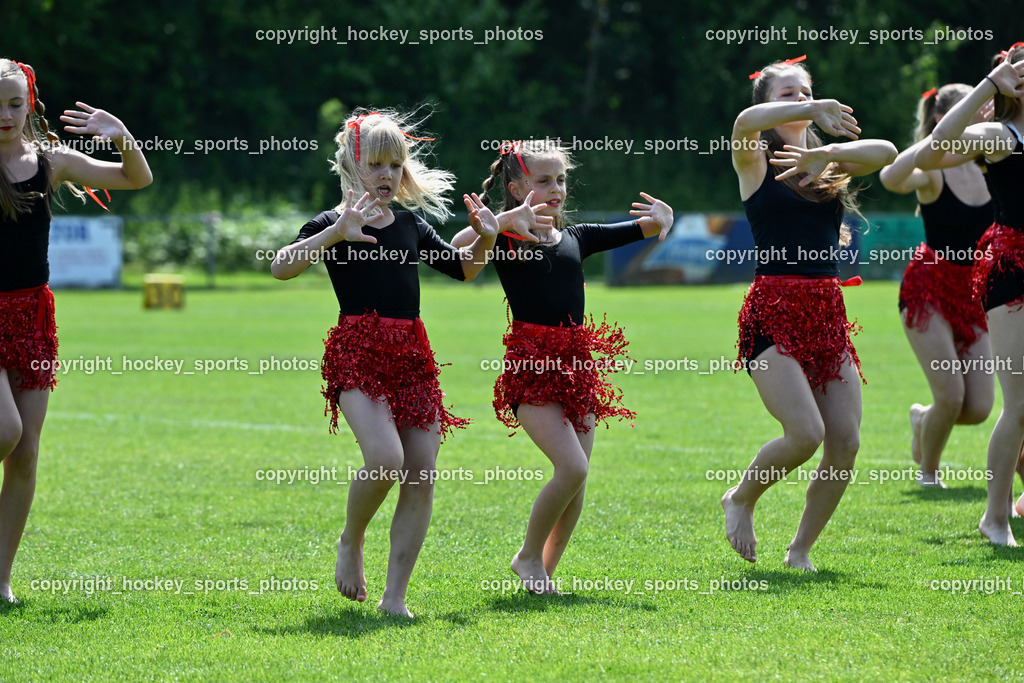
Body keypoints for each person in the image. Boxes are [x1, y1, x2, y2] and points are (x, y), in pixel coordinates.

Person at [271, 109, 497, 617]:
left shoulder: (412, 225)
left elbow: (464, 270)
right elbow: (280, 266)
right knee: (385, 460)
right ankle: (351, 541)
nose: (388, 174)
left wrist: (484, 235)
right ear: (352, 165)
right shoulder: (331, 223)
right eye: (376, 163)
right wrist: (333, 235)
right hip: (357, 352)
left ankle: (395, 598)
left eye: (396, 164)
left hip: (412, 355)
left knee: (421, 473)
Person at [451, 140, 673, 594]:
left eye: (562, 179)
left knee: (578, 481)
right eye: (544, 180)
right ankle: (528, 555)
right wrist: (502, 223)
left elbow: (643, 228)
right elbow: (458, 246)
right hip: (531, 367)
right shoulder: (506, 237)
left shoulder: (577, 236)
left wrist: (664, 218)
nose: (557, 188)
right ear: (516, 188)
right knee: (572, 468)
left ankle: (542, 576)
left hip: (577, 369)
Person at [720, 57, 896, 571]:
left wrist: (831, 152)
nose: (801, 101)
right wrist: (815, 107)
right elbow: (739, 125)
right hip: (773, 311)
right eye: (789, 95)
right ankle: (741, 498)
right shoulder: (755, 160)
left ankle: (800, 550)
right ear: (767, 106)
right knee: (805, 433)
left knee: (845, 442)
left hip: (826, 312)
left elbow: (886, 153)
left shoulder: (826, 162)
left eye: (807, 92)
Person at [0, 58, 153, 602]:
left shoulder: (51, 160)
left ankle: (0, 580)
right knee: (5, 431)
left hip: (33, 316)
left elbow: (136, 179)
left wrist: (124, 138)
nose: (6, 115)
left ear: (30, 103)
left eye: (15, 103)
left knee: (27, 452)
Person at [916, 45, 1024, 545]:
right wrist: (988, 86)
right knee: (1018, 405)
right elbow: (935, 147)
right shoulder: (1002, 136)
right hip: (1012, 274)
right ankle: (994, 516)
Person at [879, 85, 994, 487]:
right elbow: (890, 177)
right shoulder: (933, 168)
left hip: (974, 293)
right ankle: (929, 473)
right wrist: (935, 139)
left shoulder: (990, 161)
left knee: (978, 407)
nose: (989, 111)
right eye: (980, 106)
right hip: (928, 287)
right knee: (951, 395)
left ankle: (923, 419)